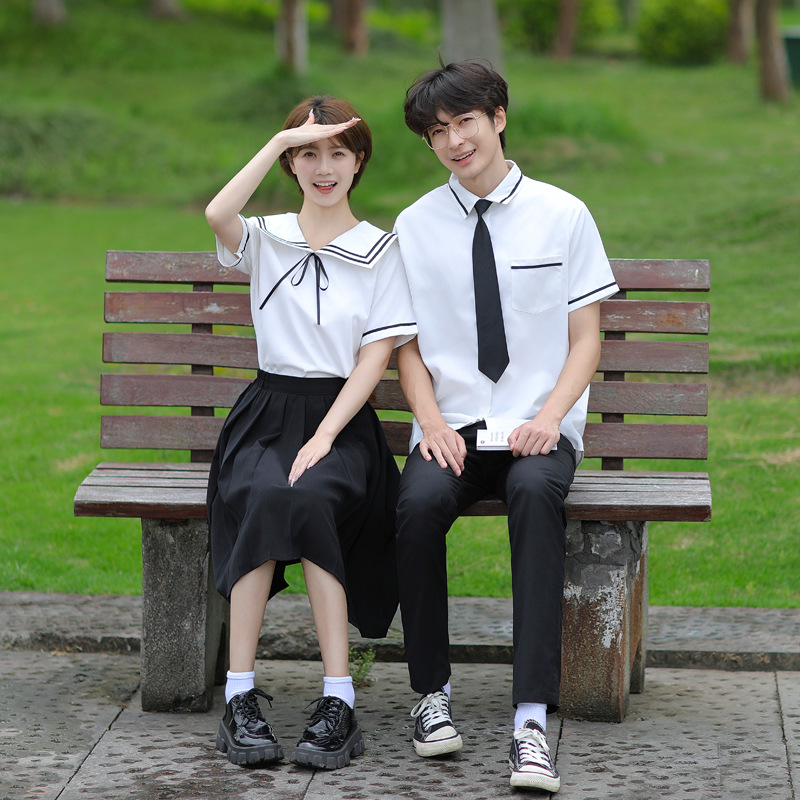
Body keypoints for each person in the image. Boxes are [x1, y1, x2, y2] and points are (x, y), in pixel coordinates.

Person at [392, 61, 619, 793]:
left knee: (533, 495)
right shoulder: (414, 226)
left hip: (537, 429)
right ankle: (431, 695)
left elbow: (586, 338)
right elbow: (406, 347)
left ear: (498, 118)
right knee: (417, 505)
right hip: (453, 425)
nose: (454, 142)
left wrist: (550, 418)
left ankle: (529, 722)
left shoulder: (563, 214)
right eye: (437, 132)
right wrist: (430, 423)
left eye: (465, 122)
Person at [205, 96, 416, 771]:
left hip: (342, 422)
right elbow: (217, 213)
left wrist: (324, 436)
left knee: (312, 496)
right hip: (265, 417)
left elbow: (375, 359)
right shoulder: (265, 236)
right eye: (308, 154)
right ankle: (239, 696)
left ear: (359, 162)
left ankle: (338, 700)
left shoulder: (381, 250)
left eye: (338, 152)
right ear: (291, 165)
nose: (324, 167)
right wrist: (276, 139)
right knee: (265, 494)